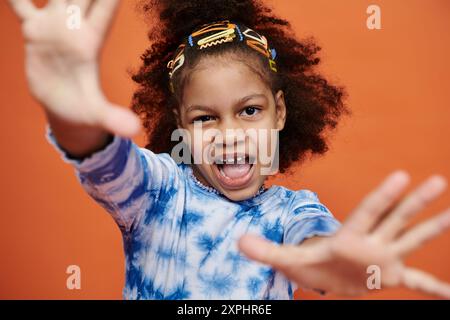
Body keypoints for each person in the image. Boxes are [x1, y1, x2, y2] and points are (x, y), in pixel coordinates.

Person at [9, 0, 450, 299]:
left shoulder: (292, 212)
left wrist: (333, 259)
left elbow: (316, 243)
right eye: (204, 118)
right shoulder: (159, 193)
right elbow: (102, 159)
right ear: (180, 125)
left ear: (279, 112)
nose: (230, 133)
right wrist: (64, 108)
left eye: (250, 111)